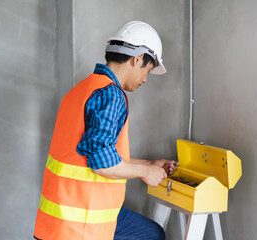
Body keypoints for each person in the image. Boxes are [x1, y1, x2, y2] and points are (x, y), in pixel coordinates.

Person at [34, 21, 178, 240]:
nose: (145, 79)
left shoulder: (82, 89)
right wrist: (145, 172)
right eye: (147, 70)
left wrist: (148, 164)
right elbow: (102, 162)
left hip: (61, 216)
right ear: (136, 59)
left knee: (152, 233)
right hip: (81, 222)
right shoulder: (110, 95)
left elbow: (93, 151)